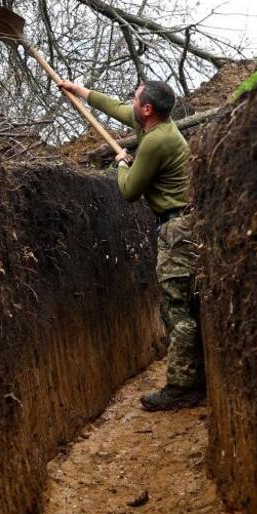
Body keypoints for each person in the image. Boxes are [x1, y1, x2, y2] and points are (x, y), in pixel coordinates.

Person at [58, 78, 203, 411]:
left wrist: (122, 163)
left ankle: (183, 386)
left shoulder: (156, 142)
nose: (131, 103)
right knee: (179, 305)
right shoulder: (155, 126)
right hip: (178, 223)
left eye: (135, 99)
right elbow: (117, 109)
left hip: (177, 228)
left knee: (177, 309)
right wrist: (79, 91)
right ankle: (193, 377)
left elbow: (128, 191)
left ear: (148, 110)